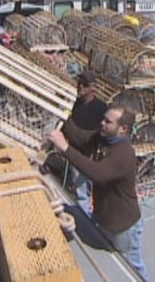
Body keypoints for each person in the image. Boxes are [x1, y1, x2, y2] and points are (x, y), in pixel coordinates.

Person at [47, 106, 149, 281]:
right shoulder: (104, 137)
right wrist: (62, 111)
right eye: (103, 119)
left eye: (108, 122)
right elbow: (80, 137)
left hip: (123, 228)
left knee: (134, 270)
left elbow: (97, 173)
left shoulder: (123, 154)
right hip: (104, 220)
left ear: (122, 129)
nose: (102, 123)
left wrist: (65, 148)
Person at [62, 70, 107, 214]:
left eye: (85, 85)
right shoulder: (75, 103)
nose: (80, 87)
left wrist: (69, 126)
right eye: (79, 83)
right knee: (74, 186)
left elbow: (90, 137)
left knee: (81, 193)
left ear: (92, 87)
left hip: (85, 156)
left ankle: (85, 224)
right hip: (70, 150)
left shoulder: (101, 108)